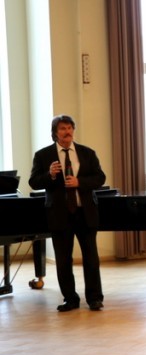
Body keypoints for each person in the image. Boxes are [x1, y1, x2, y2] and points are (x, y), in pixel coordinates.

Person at [28, 115, 107, 312]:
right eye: (63, 128)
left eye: (70, 128)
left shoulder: (87, 153)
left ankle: (95, 298)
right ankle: (70, 299)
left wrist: (80, 182)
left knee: (91, 258)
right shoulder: (43, 155)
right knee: (63, 261)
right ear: (55, 132)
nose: (67, 132)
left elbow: (100, 177)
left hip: (85, 212)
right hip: (59, 214)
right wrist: (50, 175)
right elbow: (34, 182)